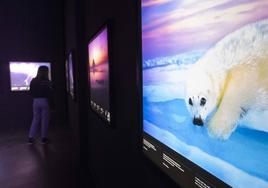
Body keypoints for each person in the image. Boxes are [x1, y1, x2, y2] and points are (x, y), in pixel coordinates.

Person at [28, 66, 54, 144]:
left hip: (35, 101)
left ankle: (31, 138)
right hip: (45, 101)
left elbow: (31, 92)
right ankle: (43, 139)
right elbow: (50, 94)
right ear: (46, 72)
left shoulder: (33, 80)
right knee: (45, 120)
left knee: (35, 119)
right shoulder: (47, 81)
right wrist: (53, 106)